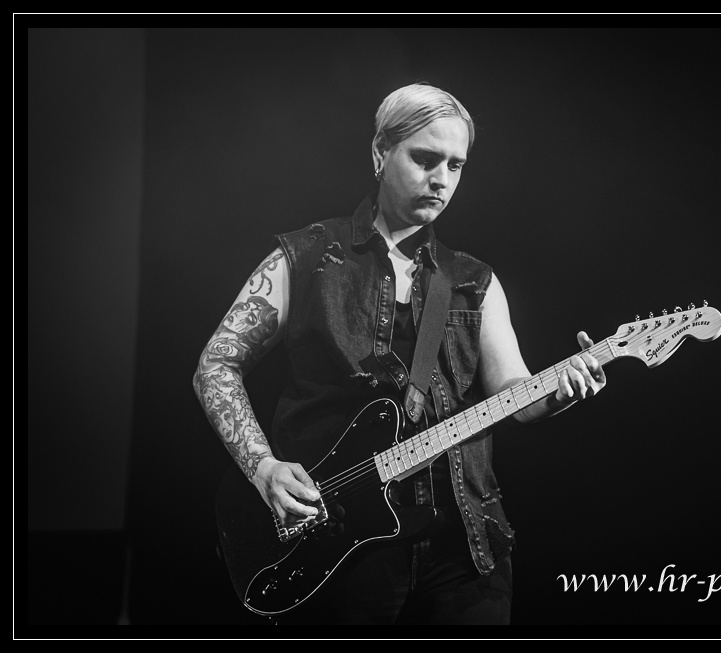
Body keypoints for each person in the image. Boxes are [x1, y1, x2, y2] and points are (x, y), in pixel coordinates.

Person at [193, 82, 607, 625]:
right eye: (426, 159)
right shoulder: (308, 256)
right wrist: (262, 467)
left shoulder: (474, 281)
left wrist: (562, 389)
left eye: (456, 166)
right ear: (380, 152)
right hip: (337, 542)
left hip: (465, 546)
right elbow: (217, 364)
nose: (442, 179)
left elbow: (516, 394)